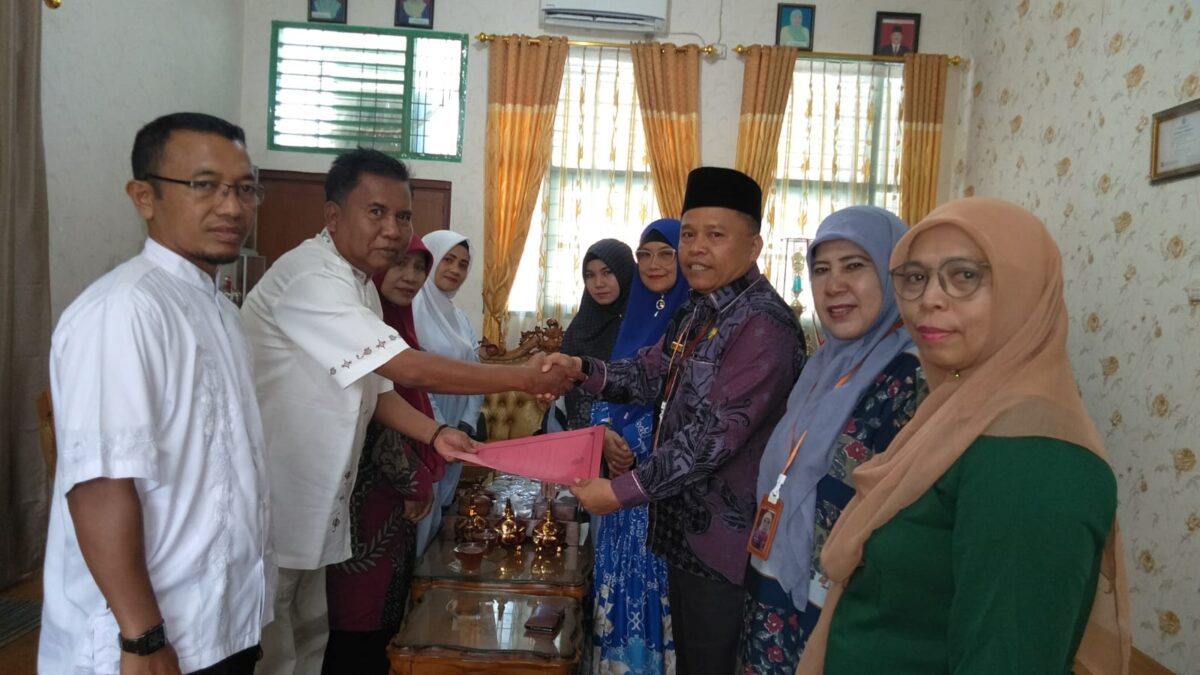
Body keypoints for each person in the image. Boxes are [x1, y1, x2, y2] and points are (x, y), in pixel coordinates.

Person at [241, 148, 578, 675]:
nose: (393, 231)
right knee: (271, 646)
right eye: (376, 212)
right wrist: (523, 376)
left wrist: (436, 432)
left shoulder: (358, 286)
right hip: (277, 495)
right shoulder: (312, 278)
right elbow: (408, 369)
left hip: (320, 496)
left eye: (402, 216)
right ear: (333, 215)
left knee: (309, 637)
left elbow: (376, 389)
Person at [797, 198, 1130, 674]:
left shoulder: (1033, 461)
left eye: (965, 275)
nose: (930, 299)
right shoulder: (956, 409)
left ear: (1024, 290)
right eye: (915, 277)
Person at [40, 112, 271, 674]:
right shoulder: (124, 311)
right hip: (142, 639)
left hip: (219, 623)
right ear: (144, 196)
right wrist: (141, 636)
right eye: (204, 185)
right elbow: (100, 485)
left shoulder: (220, 311)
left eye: (244, 189)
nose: (231, 207)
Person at [554, 167, 806, 675]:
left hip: (727, 547)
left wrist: (619, 492)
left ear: (754, 246)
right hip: (682, 533)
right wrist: (581, 369)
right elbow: (651, 373)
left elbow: (710, 439)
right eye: (689, 235)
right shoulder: (699, 309)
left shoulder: (763, 324)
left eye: (716, 235)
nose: (696, 249)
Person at [740, 207, 922, 674]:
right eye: (821, 270)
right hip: (775, 593)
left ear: (895, 273)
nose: (834, 285)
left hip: (845, 617)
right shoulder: (822, 366)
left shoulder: (913, 378)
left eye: (854, 265)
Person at [322, 237, 438, 675]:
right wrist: (414, 478)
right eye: (399, 264)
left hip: (391, 505)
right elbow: (372, 416)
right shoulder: (362, 325)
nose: (410, 276)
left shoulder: (395, 327)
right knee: (356, 621)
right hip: (361, 503)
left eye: (419, 267)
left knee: (384, 620)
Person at [589, 220, 689, 675]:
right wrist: (605, 435)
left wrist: (638, 445)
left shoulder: (694, 321)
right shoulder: (634, 317)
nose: (653, 264)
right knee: (618, 583)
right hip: (617, 491)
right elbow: (611, 388)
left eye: (665, 254)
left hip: (664, 494)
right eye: (644, 255)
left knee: (660, 590)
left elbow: (694, 414)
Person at [410, 230, 483, 556]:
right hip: (424, 430)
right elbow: (416, 381)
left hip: (457, 434)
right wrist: (440, 427)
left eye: (463, 264)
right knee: (421, 515)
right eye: (448, 260)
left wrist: (467, 421)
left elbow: (476, 373)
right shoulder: (411, 312)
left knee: (442, 512)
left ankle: (432, 580)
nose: (455, 269)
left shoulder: (459, 318)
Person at [562, 238, 636, 430]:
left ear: (625, 273)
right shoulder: (580, 326)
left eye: (607, 273)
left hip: (632, 435)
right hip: (582, 433)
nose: (598, 283)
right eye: (590, 275)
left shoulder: (641, 324)